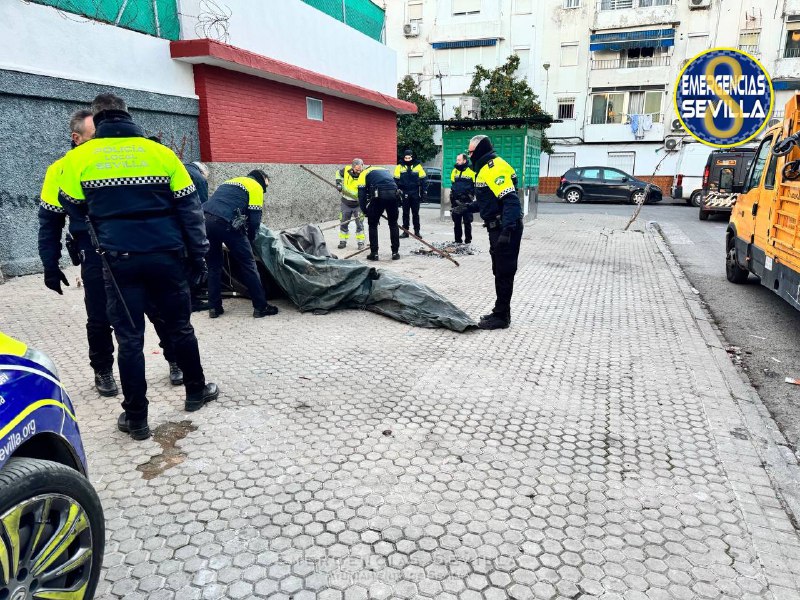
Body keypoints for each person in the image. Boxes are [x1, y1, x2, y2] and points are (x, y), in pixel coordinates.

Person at [57, 93, 218, 440]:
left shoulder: (78, 158)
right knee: (180, 327)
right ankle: (195, 391)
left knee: (129, 339)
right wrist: (199, 255)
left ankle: (137, 418)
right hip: (167, 256)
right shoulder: (162, 154)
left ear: (97, 122)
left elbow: (71, 206)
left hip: (118, 262)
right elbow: (190, 209)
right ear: (128, 116)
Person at [38, 110, 181, 394]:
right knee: (100, 316)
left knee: (158, 308)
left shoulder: (128, 158)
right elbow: (50, 221)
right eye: (95, 136)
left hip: (140, 248)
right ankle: (103, 370)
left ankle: (176, 360)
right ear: (76, 138)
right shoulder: (61, 169)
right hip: (95, 254)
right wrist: (50, 265)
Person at [451, 135, 523, 330]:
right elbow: (489, 202)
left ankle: (501, 317)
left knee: (504, 272)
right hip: (497, 227)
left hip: (505, 228)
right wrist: (466, 208)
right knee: (499, 271)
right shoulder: (485, 168)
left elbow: (511, 202)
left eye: (471, 152)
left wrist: (507, 231)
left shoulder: (494, 168)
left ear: (480, 151)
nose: (469, 156)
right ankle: (500, 311)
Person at [203, 169, 278, 319]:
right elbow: (255, 219)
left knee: (213, 266)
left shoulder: (230, 181)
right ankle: (260, 307)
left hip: (204, 220)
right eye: (265, 186)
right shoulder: (255, 186)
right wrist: (250, 240)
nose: (264, 190)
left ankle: (214, 307)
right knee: (248, 264)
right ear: (262, 179)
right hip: (226, 223)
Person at [355, 162, 401, 261]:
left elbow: (361, 195)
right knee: (393, 224)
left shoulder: (363, 173)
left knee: (372, 224)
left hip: (379, 196)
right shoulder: (385, 170)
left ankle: (374, 253)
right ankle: (395, 253)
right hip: (394, 195)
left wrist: (365, 211)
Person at [184, 161, 211, 312]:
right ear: (202, 172)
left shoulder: (181, 169)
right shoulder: (198, 178)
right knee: (194, 262)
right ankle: (192, 301)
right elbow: (202, 205)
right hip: (189, 227)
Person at [393, 148, 427, 238]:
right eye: (406, 158)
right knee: (405, 213)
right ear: (404, 158)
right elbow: (395, 181)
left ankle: (417, 232)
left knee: (415, 213)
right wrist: (396, 194)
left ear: (412, 157)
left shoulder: (418, 166)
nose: (407, 159)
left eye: (409, 158)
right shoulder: (399, 167)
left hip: (415, 192)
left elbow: (423, 180)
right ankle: (405, 232)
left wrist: (424, 192)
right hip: (404, 192)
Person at [334, 160, 365, 250]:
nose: (359, 170)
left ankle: (360, 242)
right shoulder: (346, 170)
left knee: (360, 224)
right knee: (343, 222)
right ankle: (343, 241)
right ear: (353, 167)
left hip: (359, 204)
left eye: (360, 168)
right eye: (357, 169)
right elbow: (338, 173)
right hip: (346, 202)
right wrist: (339, 184)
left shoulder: (365, 174)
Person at [450, 153, 476, 244]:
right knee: (456, 222)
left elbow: (475, 187)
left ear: (464, 161)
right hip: (456, 201)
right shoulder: (454, 171)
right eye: (457, 160)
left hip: (467, 202)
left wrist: (472, 197)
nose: (457, 161)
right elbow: (453, 185)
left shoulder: (472, 171)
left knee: (467, 222)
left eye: (459, 160)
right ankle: (458, 240)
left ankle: (468, 241)